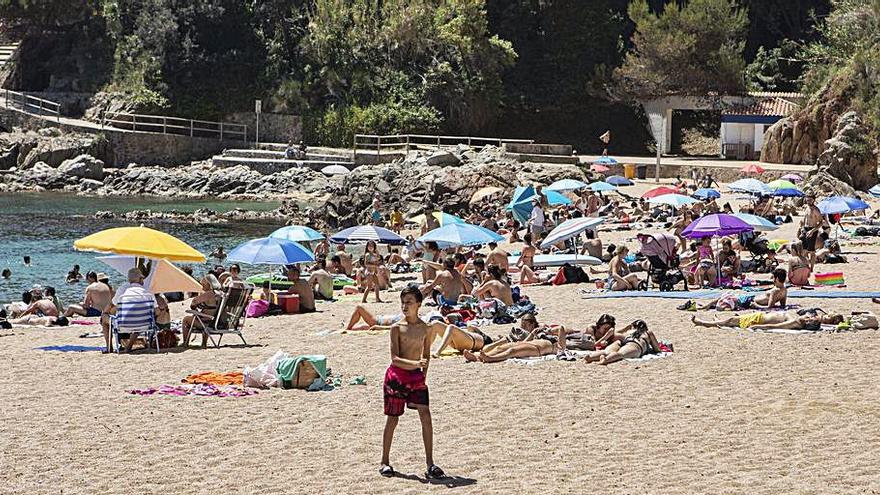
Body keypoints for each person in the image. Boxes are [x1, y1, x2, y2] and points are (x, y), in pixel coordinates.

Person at [380, 286, 444, 479]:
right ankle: (384, 461)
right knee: (393, 418)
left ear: (418, 304)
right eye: (403, 302)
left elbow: (426, 356)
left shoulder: (425, 328)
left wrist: (422, 375)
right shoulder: (396, 328)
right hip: (396, 377)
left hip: (416, 377)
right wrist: (417, 364)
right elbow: (395, 359)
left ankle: (430, 464)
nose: (405, 306)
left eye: (409, 302)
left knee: (426, 415)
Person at [106, 268, 157, 353]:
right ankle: (130, 346)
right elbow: (156, 308)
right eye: (142, 278)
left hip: (124, 325)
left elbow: (113, 303)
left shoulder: (124, 292)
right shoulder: (148, 292)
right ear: (140, 279)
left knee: (104, 318)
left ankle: (109, 348)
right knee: (139, 316)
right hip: (144, 324)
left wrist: (105, 312)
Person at [696, 268, 789, 311]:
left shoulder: (774, 290)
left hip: (749, 301)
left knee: (727, 296)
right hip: (749, 299)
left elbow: (769, 307)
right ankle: (707, 306)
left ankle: (705, 306)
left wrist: (756, 305)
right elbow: (782, 305)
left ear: (776, 279)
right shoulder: (784, 290)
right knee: (728, 296)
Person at [582, 320, 661, 365]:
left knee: (606, 351)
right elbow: (657, 349)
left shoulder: (628, 332)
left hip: (624, 341)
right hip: (635, 345)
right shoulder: (648, 333)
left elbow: (615, 335)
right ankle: (605, 360)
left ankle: (590, 357)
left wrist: (625, 329)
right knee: (621, 354)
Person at [692, 309, 843, 331]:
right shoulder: (799, 319)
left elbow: (778, 325)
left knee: (731, 320)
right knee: (733, 319)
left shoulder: (797, 322)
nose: (808, 315)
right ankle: (717, 320)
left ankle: (703, 323)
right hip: (760, 315)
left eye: (809, 317)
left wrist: (760, 327)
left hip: (759, 319)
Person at [180, 274, 223, 348]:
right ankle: (204, 343)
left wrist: (200, 295)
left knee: (186, 319)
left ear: (209, 284)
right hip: (214, 321)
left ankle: (185, 342)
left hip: (205, 323)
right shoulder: (220, 293)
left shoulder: (209, 294)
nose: (202, 286)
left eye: (203, 284)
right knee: (204, 315)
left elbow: (194, 301)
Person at [799, 194, 828, 270]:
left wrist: (812, 231)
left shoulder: (815, 210)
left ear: (813, 200)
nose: (808, 201)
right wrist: (802, 228)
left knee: (811, 251)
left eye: (810, 200)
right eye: (807, 200)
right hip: (805, 229)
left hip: (812, 229)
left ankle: (811, 268)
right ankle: (806, 265)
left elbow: (821, 222)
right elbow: (805, 219)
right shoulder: (806, 208)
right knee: (803, 250)